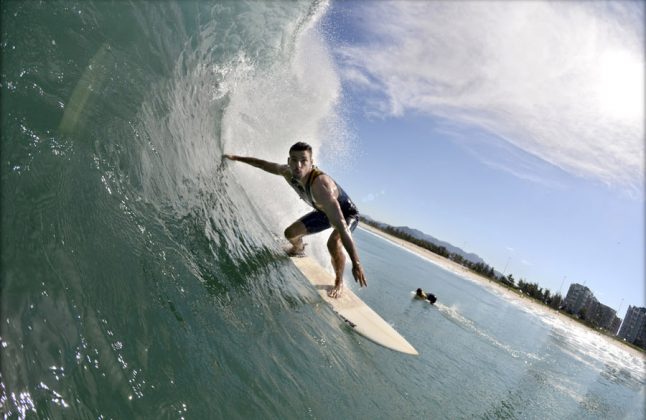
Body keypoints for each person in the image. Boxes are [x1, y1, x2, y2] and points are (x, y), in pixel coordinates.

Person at [223, 142, 366, 298]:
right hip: (323, 211)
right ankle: (298, 248)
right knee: (290, 234)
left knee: (332, 243)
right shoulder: (287, 172)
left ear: (312, 163)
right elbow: (262, 164)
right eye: (294, 160)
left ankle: (339, 283)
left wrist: (356, 263)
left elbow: (342, 226)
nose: (298, 165)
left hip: (346, 215)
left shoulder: (321, 186)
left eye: (304, 160)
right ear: (288, 161)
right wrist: (236, 157)